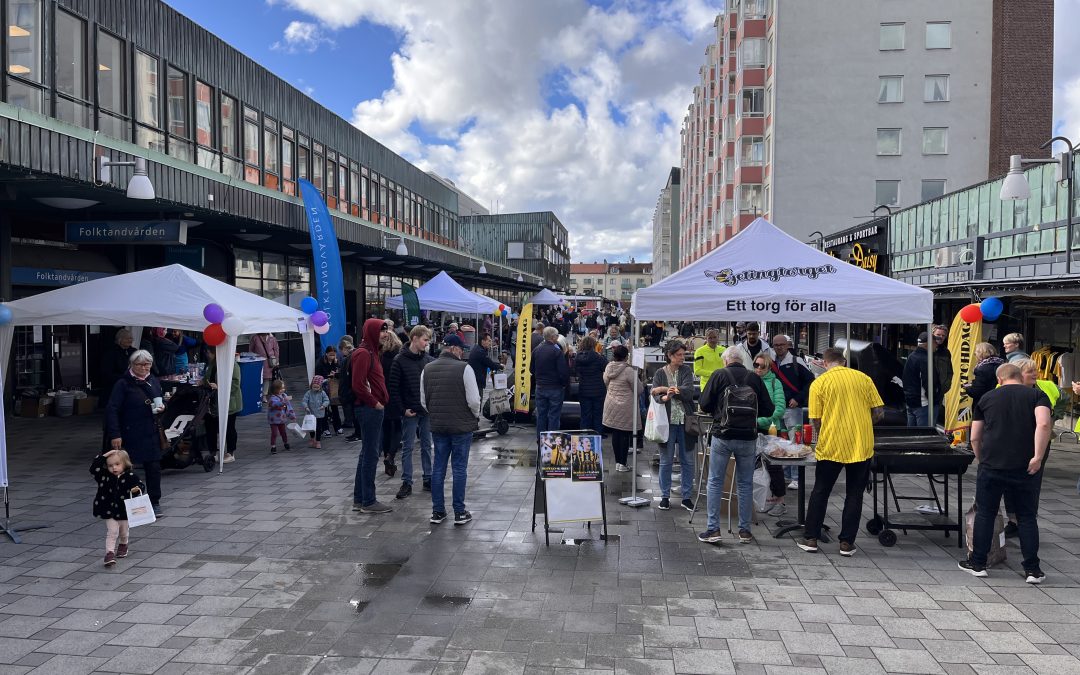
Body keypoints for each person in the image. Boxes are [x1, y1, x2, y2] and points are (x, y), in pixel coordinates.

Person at [959, 363, 1051, 583]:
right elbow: (1044, 424)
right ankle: (1032, 569)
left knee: (985, 513)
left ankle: (978, 563)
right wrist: (1037, 457)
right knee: (1027, 517)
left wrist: (982, 458)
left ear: (999, 380)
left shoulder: (987, 398)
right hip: (1025, 465)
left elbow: (975, 436)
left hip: (992, 464)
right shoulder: (1037, 395)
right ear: (1020, 376)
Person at [798, 348, 884, 556]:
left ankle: (811, 538)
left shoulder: (819, 383)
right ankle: (846, 543)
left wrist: (824, 433)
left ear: (825, 363)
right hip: (860, 444)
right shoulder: (863, 378)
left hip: (831, 444)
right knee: (854, 494)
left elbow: (816, 420)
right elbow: (879, 412)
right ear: (844, 361)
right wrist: (863, 423)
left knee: (820, 491)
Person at [697, 346, 774, 543]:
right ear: (742, 360)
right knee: (745, 482)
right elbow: (768, 408)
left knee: (715, 480)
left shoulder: (719, 375)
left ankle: (713, 529)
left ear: (725, 361)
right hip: (748, 436)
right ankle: (744, 530)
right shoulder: (754, 378)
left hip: (722, 435)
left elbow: (704, 404)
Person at [421, 334, 481, 525]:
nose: (462, 352)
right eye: (461, 349)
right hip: (461, 425)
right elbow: (474, 400)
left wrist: (436, 413)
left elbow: (423, 401)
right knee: (459, 468)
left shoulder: (427, 369)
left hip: (438, 425)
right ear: (454, 349)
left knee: (438, 467)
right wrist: (475, 415)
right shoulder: (465, 368)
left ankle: (438, 512)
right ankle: (460, 512)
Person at [1001, 358, 1060, 538]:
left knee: (1032, 482)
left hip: (1038, 443)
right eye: (1030, 372)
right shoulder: (1003, 389)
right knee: (1009, 483)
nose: (1035, 374)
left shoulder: (1046, 388)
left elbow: (1060, 403)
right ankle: (1013, 521)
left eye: (1035, 370)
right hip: (1012, 441)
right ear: (1018, 375)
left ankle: (1027, 520)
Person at [105, 350, 166, 517]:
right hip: (130, 431)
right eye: (141, 364)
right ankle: (126, 500)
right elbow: (112, 409)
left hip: (150, 430)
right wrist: (115, 433)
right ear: (132, 365)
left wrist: (162, 407)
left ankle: (154, 501)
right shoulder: (123, 384)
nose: (145, 368)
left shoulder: (153, 380)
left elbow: (159, 398)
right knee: (127, 470)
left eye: (148, 364)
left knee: (153, 467)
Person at [350, 318, 392, 514]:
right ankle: (369, 500)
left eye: (386, 330)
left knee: (366, 453)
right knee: (371, 454)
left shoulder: (372, 352)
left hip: (371, 409)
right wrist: (375, 403)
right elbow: (357, 385)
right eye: (382, 330)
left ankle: (360, 499)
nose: (385, 334)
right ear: (372, 332)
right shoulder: (363, 353)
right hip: (369, 410)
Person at [651, 340, 696, 512]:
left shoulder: (686, 370)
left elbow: (688, 392)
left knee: (688, 461)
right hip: (667, 422)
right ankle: (664, 496)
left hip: (685, 422)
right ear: (670, 356)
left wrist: (665, 389)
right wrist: (664, 397)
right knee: (666, 461)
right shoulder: (659, 373)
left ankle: (686, 497)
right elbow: (655, 396)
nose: (683, 358)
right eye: (679, 355)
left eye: (684, 355)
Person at [390, 325, 435, 499]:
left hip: (425, 411)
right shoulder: (399, 360)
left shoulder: (428, 360)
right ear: (415, 338)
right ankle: (407, 482)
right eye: (425, 340)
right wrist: (403, 409)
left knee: (426, 445)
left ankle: (428, 478)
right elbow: (393, 389)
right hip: (409, 411)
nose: (427, 343)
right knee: (407, 447)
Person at [90, 448, 143, 567]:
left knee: (123, 532)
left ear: (125, 463)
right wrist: (105, 455)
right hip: (109, 510)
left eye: (117, 464)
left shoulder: (130, 476)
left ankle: (123, 544)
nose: (114, 468)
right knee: (112, 532)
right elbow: (94, 468)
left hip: (124, 510)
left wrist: (136, 489)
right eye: (110, 465)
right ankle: (109, 553)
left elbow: (140, 486)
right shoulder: (104, 476)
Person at [753, 353, 788, 515]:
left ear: (769, 367)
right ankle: (760, 497)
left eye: (762, 366)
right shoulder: (750, 380)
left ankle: (780, 500)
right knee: (754, 465)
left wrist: (760, 421)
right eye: (756, 365)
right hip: (753, 429)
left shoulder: (775, 383)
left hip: (770, 429)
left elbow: (780, 410)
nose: (758, 369)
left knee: (773, 465)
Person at [202, 349, 241, 463]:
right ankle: (212, 452)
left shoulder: (232, 365)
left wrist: (219, 386)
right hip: (213, 402)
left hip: (229, 402)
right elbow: (208, 377)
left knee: (229, 427)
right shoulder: (212, 364)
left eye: (209, 352)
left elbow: (235, 385)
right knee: (211, 427)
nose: (207, 355)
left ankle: (230, 453)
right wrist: (204, 382)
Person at [603, 345, 638, 472]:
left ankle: (618, 462)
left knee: (616, 434)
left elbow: (606, 382)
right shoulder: (629, 370)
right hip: (625, 405)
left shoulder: (608, 367)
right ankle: (622, 463)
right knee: (624, 434)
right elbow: (638, 389)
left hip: (611, 403)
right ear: (626, 356)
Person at [902, 332, 946, 426]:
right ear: (927, 345)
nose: (937, 344)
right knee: (924, 436)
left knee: (912, 437)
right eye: (935, 342)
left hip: (911, 402)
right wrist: (935, 400)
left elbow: (905, 380)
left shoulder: (911, 356)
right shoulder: (925, 360)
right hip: (924, 404)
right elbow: (929, 383)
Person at [532, 326, 569, 437]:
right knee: (554, 416)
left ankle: (540, 440)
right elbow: (563, 371)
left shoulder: (537, 350)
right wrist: (563, 384)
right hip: (555, 388)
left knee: (541, 415)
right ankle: (552, 440)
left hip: (540, 387)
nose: (558, 337)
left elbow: (531, 369)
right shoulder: (557, 351)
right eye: (557, 336)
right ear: (553, 337)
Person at [380, 328, 404, 477]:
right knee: (397, 429)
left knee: (386, 429)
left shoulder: (379, 356)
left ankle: (386, 458)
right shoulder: (399, 356)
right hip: (396, 396)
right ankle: (391, 456)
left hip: (382, 397)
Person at [574, 335, 607, 433]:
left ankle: (584, 437)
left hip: (584, 389)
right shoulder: (598, 357)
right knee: (598, 415)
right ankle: (597, 437)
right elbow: (606, 367)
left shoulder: (578, 357)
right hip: (598, 390)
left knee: (585, 415)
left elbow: (575, 370)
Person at [101, 329, 136, 405]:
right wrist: (125, 377)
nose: (130, 340)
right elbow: (107, 373)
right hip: (115, 386)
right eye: (127, 338)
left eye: (131, 338)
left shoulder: (134, 351)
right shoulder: (111, 353)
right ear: (120, 339)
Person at [315, 346, 344, 435]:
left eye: (334, 355)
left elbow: (340, 372)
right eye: (330, 355)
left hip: (333, 387)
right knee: (324, 408)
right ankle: (325, 428)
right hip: (324, 387)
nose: (332, 357)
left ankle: (338, 427)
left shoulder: (336, 362)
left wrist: (336, 371)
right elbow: (319, 375)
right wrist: (328, 376)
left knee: (334, 407)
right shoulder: (320, 363)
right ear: (326, 354)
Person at [468, 333, 503, 398]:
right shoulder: (480, 352)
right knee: (478, 402)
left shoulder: (478, 348)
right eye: (489, 341)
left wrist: (498, 365)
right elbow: (491, 364)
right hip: (476, 381)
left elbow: (488, 361)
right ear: (483, 341)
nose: (490, 343)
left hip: (474, 380)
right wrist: (501, 366)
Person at [303, 375, 331, 449]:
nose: (315, 389)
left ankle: (318, 441)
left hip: (319, 413)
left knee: (319, 428)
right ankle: (312, 439)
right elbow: (304, 400)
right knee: (311, 427)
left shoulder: (322, 393)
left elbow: (327, 400)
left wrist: (323, 405)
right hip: (311, 413)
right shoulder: (309, 393)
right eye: (314, 387)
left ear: (320, 387)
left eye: (317, 387)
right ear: (311, 386)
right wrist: (306, 407)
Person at [266, 379, 293, 455]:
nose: (282, 390)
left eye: (283, 388)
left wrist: (292, 415)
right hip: (273, 419)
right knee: (274, 433)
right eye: (280, 389)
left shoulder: (284, 396)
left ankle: (286, 443)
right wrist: (284, 401)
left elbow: (289, 407)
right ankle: (273, 446)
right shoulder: (273, 397)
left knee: (283, 432)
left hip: (281, 418)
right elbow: (274, 404)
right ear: (275, 389)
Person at [251, 332, 280, 399]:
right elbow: (251, 349)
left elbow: (276, 350)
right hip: (258, 361)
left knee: (266, 378)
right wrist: (252, 358)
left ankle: (264, 395)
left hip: (269, 361)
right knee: (258, 377)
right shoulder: (255, 337)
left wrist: (277, 360)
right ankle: (257, 393)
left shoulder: (272, 338)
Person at [339, 337, 358, 439]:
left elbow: (345, 377)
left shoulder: (348, 359)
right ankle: (357, 432)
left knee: (353, 411)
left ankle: (357, 433)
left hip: (349, 389)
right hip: (351, 388)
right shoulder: (353, 356)